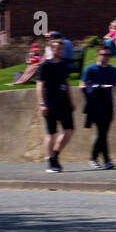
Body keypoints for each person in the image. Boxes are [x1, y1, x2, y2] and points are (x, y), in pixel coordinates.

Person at [81, 45, 116, 169]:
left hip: (108, 104)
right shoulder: (90, 69)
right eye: (103, 55)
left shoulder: (112, 70)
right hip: (95, 105)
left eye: (108, 55)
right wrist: (96, 88)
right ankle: (100, 159)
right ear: (98, 55)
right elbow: (82, 86)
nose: (106, 57)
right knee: (102, 132)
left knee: (103, 133)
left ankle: (100, 159)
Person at [36, 39, 74, 172]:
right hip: (50, 103)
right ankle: (51, 161)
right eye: (57, 49)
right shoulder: (45, 66)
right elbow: (39, 85)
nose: (60, 51)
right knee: (51, 133)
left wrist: (71, 101)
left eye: (61, 49)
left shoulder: (63, 65)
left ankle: (55, 154)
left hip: (63, 102)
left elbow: (67, 83)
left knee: (69, 131)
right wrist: (42, 103)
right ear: (51, 49)